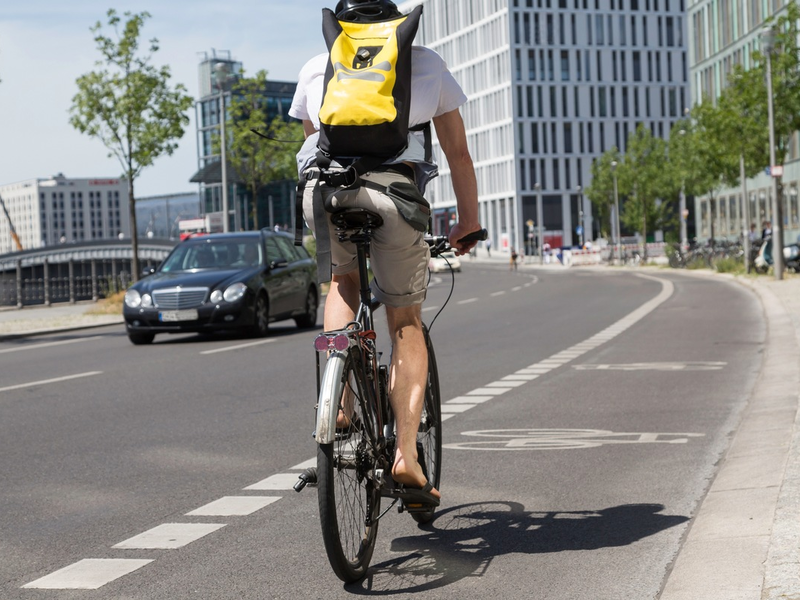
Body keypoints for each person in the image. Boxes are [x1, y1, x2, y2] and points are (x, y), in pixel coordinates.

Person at [290, 0, 482, 506]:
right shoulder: (425, 63)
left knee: (343, 283)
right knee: (404, 323)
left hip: (325, 196)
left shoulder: (318, 66)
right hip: (394, 201)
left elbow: (316, 145)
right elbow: (458, 154)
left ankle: (338, 401)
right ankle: (404, 455)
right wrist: (468, 223)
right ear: (394, 23)